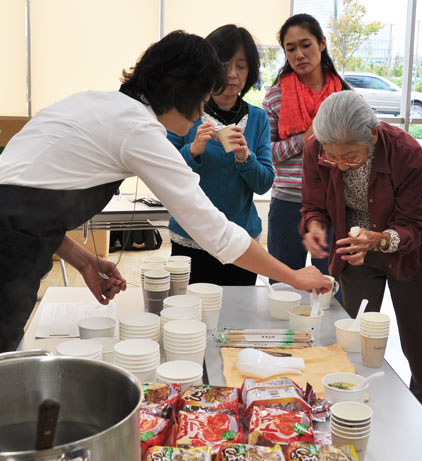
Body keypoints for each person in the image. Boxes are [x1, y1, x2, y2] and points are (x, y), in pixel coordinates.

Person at [0, 31, 331, 353]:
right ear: (180, 91)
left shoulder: (92, 102)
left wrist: (84, 259)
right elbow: (216, 232)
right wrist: (293, 276)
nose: (202, 113)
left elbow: (29, 208)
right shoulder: (139, 128)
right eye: (202, 101)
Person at [300, 91, 422, 412]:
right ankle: (350, 400)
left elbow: (413, 224)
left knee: (418, 338)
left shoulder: (406, 152)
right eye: (332, 158)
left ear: (373, 136)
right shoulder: (315, 149)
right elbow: (313, 203)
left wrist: (379, 239)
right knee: (355, 330)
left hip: (412, 252)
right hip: (356, 250)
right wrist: (315, 226)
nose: (340, 164)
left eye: (351, 157)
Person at [167, 25, 274, 286]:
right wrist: (193, 150)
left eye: (241, 66)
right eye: (224, 65)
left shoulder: (258, 118)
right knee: (189, 318)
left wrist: (245, 157)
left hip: (241, 241)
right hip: (190, 237)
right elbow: (165, 174)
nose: (232, 74)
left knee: (238, 319)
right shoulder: (182, 111)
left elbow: (264, 184)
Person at [262, 13, 350, 282]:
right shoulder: (275, 96)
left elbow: (361, 153)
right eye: (291, 48)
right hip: (288, 204)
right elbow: (268, 155)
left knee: (333, 286)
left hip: (334, 204)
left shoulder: (344, 96)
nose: (299, 54)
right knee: (284, 288)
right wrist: (304, 138)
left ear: (322, 44)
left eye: (305, 44)